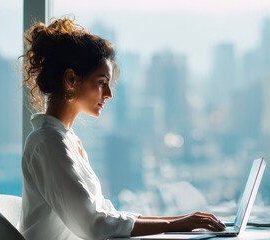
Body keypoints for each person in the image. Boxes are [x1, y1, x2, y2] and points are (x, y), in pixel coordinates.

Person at [20, 17, 226, 240]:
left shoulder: (65, 139)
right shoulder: (48, 143)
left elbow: (106, 215)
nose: (108, 93)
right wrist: (177, 223)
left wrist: (180, 222)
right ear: (71, 79)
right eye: (101, 82)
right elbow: (94, 225)